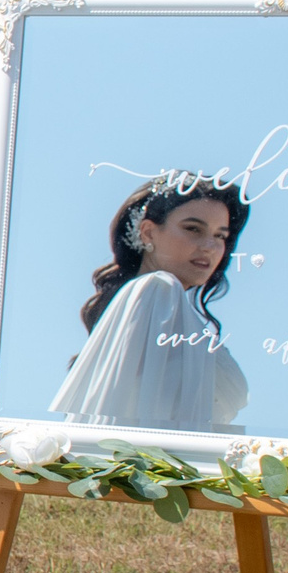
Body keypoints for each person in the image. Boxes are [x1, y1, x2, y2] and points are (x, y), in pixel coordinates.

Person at [49, 174, 251, 433]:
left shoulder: (163, 304)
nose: (210, 246)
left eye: (220, 236)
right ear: (148, 233)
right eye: (193, 229)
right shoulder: (158, 290)